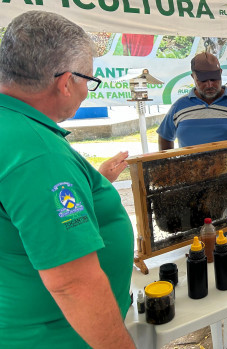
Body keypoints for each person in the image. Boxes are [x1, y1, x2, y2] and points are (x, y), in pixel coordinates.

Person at [0, 11, 135, 348]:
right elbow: (73, 285)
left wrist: (97, 182)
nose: (87, 91)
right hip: (58, 336)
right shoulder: (36, 152)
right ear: (65, 82)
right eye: (88, 80)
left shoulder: (12, 126)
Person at [157, 52, 227, 198]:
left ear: (220, 73)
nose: (210, 85)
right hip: (190, 186)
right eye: (203, 80)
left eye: (214, 79)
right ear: (193, 77)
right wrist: (168, 167)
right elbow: (165, 136)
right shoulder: (180, 106)